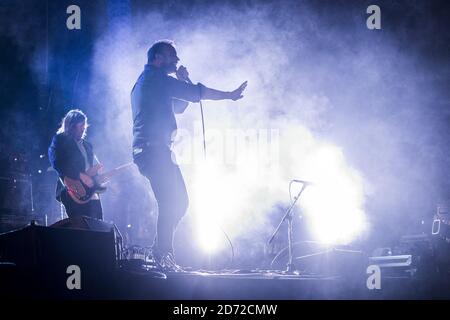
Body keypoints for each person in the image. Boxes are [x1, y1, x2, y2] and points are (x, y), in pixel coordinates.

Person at [131, 40, 247, 271]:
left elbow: (181, 106)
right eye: (172, 55)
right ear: (157, 58)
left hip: (159, 151)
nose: (177, 60)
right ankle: (163, 255)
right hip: (152, 151)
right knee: (169, 202)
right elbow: (197, 93)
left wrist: (182, 81)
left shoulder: (152, 82)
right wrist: (230, 95)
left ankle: (159, 251)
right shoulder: (156, 79)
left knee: (180, 202)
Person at [48, 109, 104, 220]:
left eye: (85, 124)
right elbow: (58, 163)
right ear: (72, 125)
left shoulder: (87, 145)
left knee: (98, 223)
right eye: (81, 124)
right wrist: (80, 175)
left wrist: (98, 177)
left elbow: (92, 166)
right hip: (72, 188)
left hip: (90, 190)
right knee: (80, 224)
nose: (84, 128)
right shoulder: (60, 140)